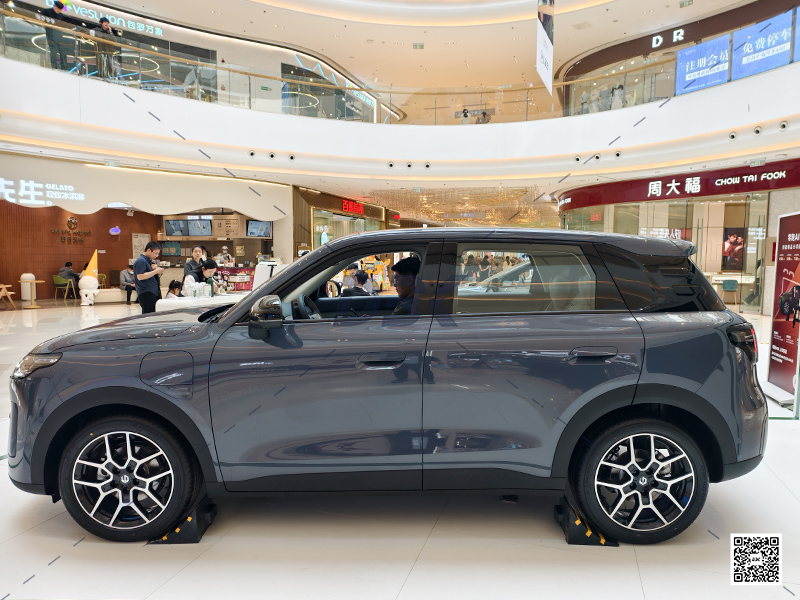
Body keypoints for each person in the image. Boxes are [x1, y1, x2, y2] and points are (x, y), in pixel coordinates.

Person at [134, 241, 164, 314]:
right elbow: (140, 276)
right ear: (149, 250)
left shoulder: (148, 261)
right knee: (149, 316)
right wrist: (155, 271)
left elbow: (148, 275)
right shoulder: (141, 261)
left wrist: (157, 273)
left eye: (158, 254)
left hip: (152, 292)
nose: (156, 256)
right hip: (146, 292)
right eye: (155, 253)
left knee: (153, 315)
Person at [42, 1, 71, 71]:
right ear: (54, 6)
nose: (59, 11)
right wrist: (46, 28)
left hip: (58, 33)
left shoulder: (60, 15)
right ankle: (54, 67)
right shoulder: (47, 11)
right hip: (50, 32)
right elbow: (40, 19)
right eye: (58, 9)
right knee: (53, 50)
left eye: (60, 9)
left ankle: (64, 67)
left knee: (62, 50)